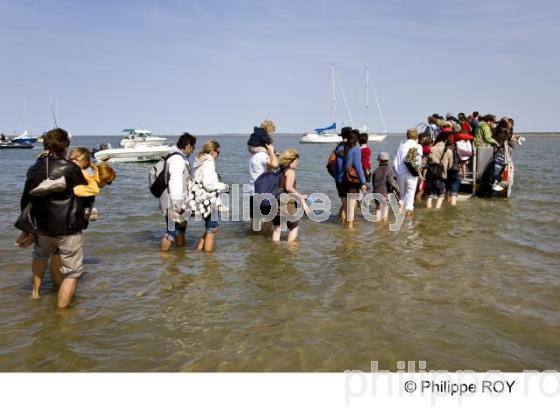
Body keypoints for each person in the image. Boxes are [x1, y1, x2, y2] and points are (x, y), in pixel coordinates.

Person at [20, 128, 88, 308]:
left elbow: (25, 200)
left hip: (42, 227)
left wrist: (29, 228)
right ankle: (61, 317)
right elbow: (86, 191)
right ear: (65, 145)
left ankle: (35, 293)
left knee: (40, 257)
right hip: (68, 227)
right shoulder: (71, 168)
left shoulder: (33, 168)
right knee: (72, 273)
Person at [159, 132, 196, 252]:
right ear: (188, 146)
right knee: (172, 232)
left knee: (181, 229)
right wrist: (177, 205)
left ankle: (180, 256)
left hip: (176, 200)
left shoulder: (177, 157)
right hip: (174, 202)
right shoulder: (177, 159)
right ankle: (163, 257)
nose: (193, 150)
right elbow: (175, 182)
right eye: (193, 147)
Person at [191, 140, 228, 252]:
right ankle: (208, 259)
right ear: (213, 151)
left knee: (211, 227)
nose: (218, 154)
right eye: (218, 152)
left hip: (200, 199)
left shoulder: (198, 161)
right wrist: (223, 186)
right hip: (209, 200)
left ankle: (198, 250)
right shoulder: (208, 162)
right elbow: (208, 183)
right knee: (212, 228)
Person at [272, 149, 308, 243]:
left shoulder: (280, 170)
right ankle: (291, 249)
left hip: (276, 200)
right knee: (294, 227)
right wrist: (300, 196)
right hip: (287, 202)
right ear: (290, 161)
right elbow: (288, 187)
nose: (297, 163)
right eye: (296, 161)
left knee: (277, 228)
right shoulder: (290, 171)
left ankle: (275, 248)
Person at [248, 121, 279, 222]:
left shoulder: (253, 155)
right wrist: (271, 152)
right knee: (268, 222)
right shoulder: (262, 156)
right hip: (264, 192)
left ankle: (253, 238)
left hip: (253, 192)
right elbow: (275, 165)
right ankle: (267, 238)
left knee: (255, 223)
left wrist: (272, 154)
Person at [339, 131, 367, 229]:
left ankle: (344, 227)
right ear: (357, 140)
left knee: (345, 207)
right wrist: (363, 182)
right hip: (351, 181)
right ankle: (350, 233)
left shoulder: (342, 147)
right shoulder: (356, 149)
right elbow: (358, 166)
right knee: (351, 207)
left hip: (341, 181)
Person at [393, 128, 422, 216]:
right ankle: (408, 225)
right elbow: (418, 162)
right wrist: (419, 174)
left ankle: (399, 219)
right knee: (410, 199)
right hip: (411, 174)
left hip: (400, 174)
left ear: (407, 135)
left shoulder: (401, 146)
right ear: (416, 136)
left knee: (402, 197)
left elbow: (395, 162)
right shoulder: (418, 146)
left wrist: (398, 173)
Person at [69, 147, 100, 220]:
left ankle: (89, 210)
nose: (73, 161)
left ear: (85, 161)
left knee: (87, 200)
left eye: (76, 160)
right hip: (84, 191)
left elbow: (93, 177)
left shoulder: (87, 169)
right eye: (71, 159)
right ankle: (89, 210)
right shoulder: (78, 169)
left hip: (87, 190)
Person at [425, 132, 454, 209]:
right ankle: (437, 211)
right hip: (441, 175)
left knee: (429, 196)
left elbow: (425, 162)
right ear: (445, 140)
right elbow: (450, 166)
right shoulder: (448, 151)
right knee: (440, 195)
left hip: (430, 174)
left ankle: (428, 211)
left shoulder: (430, 149)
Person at [371, 152, 399, 221]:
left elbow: (373, 183)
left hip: (376, 192)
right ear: (388, 160)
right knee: (385, 208)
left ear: (379, 161)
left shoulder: (375, 171)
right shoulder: (389, 169)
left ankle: (377, 223)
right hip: (385, 193)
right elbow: (391, 182)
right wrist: (397, 188)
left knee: (378, 208)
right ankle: (384, 226)